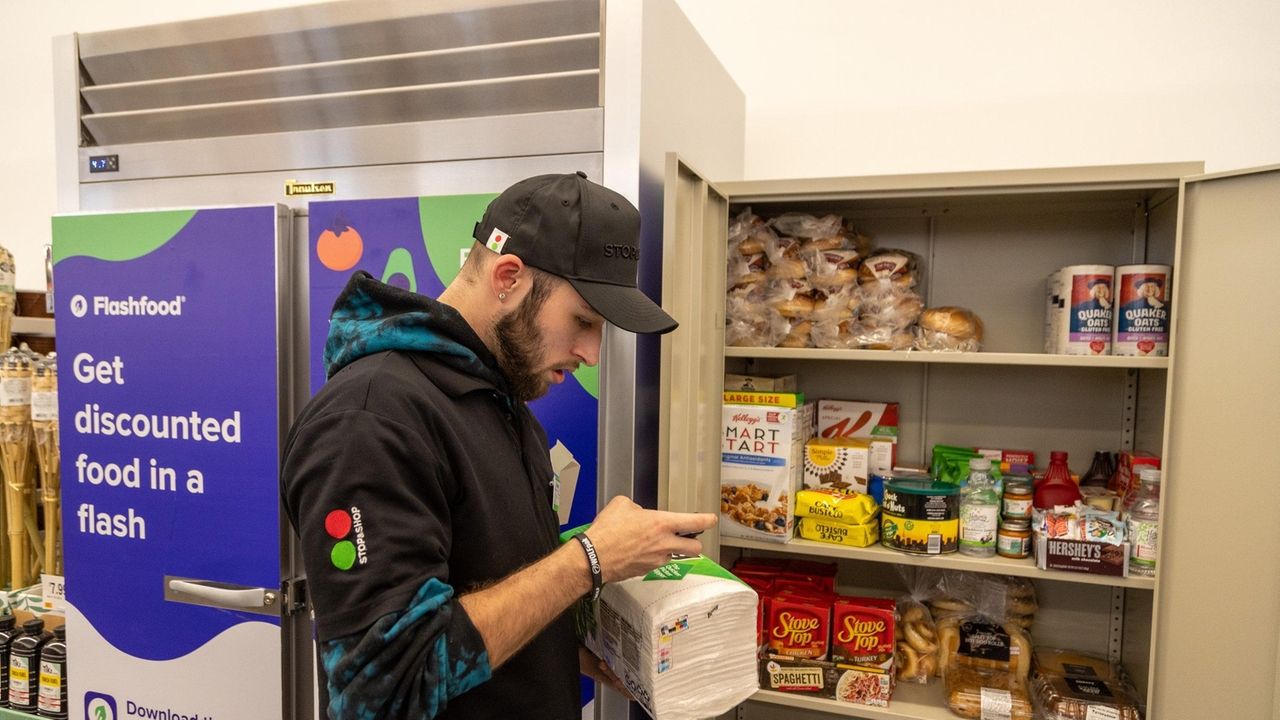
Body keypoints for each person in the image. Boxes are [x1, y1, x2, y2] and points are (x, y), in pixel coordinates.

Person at [281, 172, 716, 720]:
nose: (592, 352)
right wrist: (589, 560)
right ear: (508, 276)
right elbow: (385, 690)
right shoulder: (368, 420)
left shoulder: (500, 405)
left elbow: (479, 585)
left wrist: (556, 649)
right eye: (582, 320)